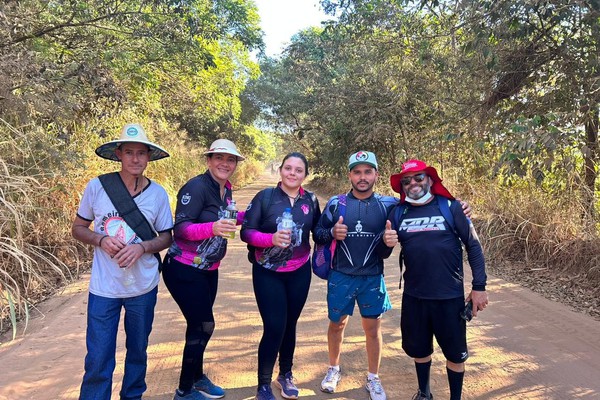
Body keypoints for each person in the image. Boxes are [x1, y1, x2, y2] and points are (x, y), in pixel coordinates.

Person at [72, 123, 173, 400]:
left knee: (138, 351)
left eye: (141, 153)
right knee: (98, 356)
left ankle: (132, 396)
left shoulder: (158, 194)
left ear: (149, 156)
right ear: (119, 154)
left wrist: (142, 248)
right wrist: (101, 240)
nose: (136, 159)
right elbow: (78, 228)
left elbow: (166, 237)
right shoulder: (97, 187)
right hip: (104, 288)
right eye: (129, 152)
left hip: (143, 286)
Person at [383, 159, 489, 400]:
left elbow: (473, 247)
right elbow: (384, 253)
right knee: (419, 350)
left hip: (448, 297)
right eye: (406, 181)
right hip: (415, 296)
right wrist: (385, 243)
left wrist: (479, 287)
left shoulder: (451, 207)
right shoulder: (398, 212)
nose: (413, 184)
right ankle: (424, 393)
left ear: (430, 179)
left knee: (455, 354)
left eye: (418, 177)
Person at [162, 139, 245, 400]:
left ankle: (197, 377)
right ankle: (184, 390)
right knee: (204, 325)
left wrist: (251, 215)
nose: (225, 163)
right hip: (184, 268)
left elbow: (227, 217)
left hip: (210, 268)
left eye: (230, 159)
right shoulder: (196, 187)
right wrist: (212, 228)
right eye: (218, 157)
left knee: (197, 325)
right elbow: (181, 229)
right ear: (208, 160)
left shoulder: (225, 189)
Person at [314, 151, 397, 400]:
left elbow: (421, 204)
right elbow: (317, 233)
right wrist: (332, 232)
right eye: (357, 172)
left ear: (376, 175)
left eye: (368, 171)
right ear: (349, 174)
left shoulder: (389, 205)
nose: (362, 177)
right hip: (341, 275)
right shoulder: (336, 203)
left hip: (372, 277)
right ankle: (333, 369)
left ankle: (373, 377)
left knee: (372, 329)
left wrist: (460, 208)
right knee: (337, 324)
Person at [241, 152, 322, 400]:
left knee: (290, 325)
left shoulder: (311, 199)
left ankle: (285, 374)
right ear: (281, 170)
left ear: (305, 175)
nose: (292, 173)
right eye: (288, 168)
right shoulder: (265, 197)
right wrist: (270, 239)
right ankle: (263, 384)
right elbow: (246, 232)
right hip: (268, 271)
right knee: (275, 326)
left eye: (298, 170)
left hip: (299, 271)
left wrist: (336, 232)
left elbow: (318, 232)